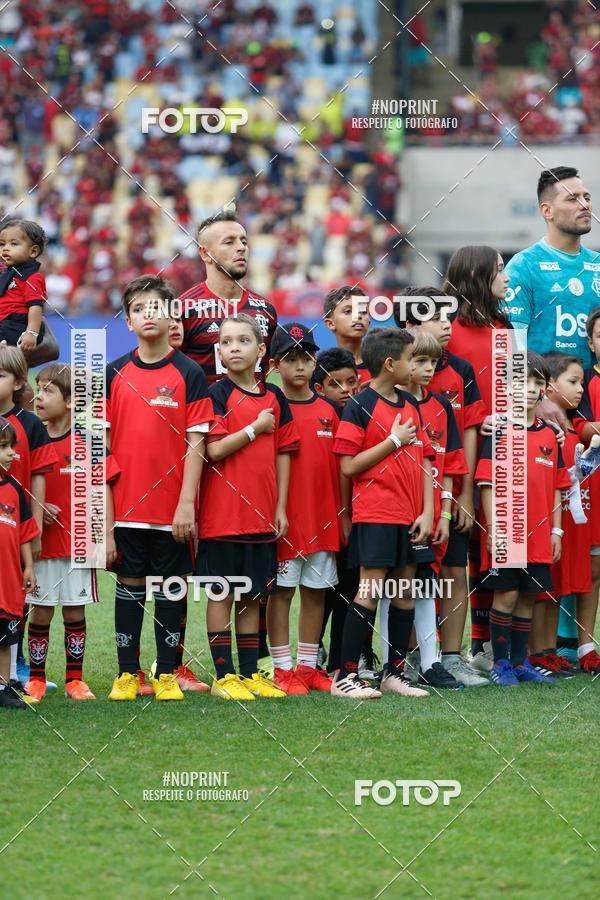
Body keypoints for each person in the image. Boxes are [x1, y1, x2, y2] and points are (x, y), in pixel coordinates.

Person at [105, 274, 213, 702]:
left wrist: (186, 503)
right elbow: (101, 450)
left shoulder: (189, 372)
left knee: (172, 587)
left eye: (157, 306)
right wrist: (108, 521)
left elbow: (197, 441)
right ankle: (127, 674)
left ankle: (167, 673)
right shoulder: (113, 372)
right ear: (128, 321)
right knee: (129, 585)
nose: (148, 314)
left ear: (172, 316)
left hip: (173, 509)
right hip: (126, 508)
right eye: (138, 308)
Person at [331, 327, 435, 699]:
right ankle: (344, 677)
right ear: (390, 364)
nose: (416, 366)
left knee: (405, 591)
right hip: (376, 513)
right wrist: (392, 441)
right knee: (370, 590)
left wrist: (427, 512)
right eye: (411, 359)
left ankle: (393, 674)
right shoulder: (360, 405)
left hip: (410, 516)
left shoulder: (411, 404)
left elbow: (423, 460)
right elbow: (348, 466)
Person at [198, 314, 298, 701]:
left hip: (261, 514)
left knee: (254, 596)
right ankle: (224, 677)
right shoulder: (216, 394)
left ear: (261, 351)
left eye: (243, 341)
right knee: (223, 592)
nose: (233, 348)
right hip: (222, 518)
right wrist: (255, 428)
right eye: (226, 342)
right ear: (219, 351)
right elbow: (215, 449)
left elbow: (285, 454)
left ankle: (250, 673)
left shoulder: (275, 398)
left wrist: (281, 506)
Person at [396, 286, 488, 685]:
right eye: (435, 318)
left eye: (448, 318)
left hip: (448, 493)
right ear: (410, 323)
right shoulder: (390, 370)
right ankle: (409, 656)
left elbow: (467, 433)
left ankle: (449, 656)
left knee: (453, 568)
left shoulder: (461, 371)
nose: (446, 326)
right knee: (404, 573)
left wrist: (464, 494)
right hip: (399, 496)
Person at [24, 364, 118, 701]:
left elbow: (106, 486)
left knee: (75, 611)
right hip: (40, 545)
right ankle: (35, 678)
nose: (39, 396)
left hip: (80, 544)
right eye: (38, 388)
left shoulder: (89, 442)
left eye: (48, 390)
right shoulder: (29, 436)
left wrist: (108, 536)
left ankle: (74, 680)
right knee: (41, 609)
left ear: (71, 401)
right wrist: (36, 506)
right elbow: (16, 482)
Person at [476, 353, 570, 686]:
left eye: (536, 383)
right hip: (507, 531)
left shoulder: (550, 435)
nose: (529, 389)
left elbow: (559, 487)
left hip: (542, 534)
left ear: (544, 388)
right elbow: (486, 483)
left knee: (529, 596)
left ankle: (520, 663)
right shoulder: (498, 431)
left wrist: (557, 530)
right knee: (507, 595)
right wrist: (495, 527)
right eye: (521, 382)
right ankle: (500, 664)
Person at [443, 246, 511, 670]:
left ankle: (483, 644)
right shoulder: (447, 328)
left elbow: (513, 383)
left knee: (493, 546)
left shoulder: (505, 327)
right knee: (456, 546)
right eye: (500, 269)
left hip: (502, 449)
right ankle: (432, 650)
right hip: (455, 448)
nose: (506, 277)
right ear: (477, 275)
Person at [267, 323, 346, 694]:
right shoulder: (269, 405)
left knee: (316, 593)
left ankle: (308, 666)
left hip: (324, 518)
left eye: (307, 358)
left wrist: (344, 514)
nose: (300, 366)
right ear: (274, 365)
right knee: (282, 593)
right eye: (291, 359)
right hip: (284, 521)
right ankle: (282, 668)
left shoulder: (331, 410)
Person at [528, 352, 597, 675]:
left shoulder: (576, 431)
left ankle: (550, 651)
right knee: (544, 588)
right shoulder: (546, 431)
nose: (580, 389)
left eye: (581, 382)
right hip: (551, 523)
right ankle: (535, 653)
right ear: (550, 385)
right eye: (573, 382)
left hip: (572, 523)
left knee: (561, 586)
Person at [0, 345, 56, 687]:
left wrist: (32, 531)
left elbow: (38, 475)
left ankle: (15, 666)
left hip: (14, 527)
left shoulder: (30, 423)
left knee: (15, 597)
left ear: (19, 381)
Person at [504, 166, 597, 366]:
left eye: (587, 198)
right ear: (547, 210)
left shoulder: (596, 265)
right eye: (573, 199)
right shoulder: (523, 266)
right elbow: (510, 345)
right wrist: (521, 396)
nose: (585, 205)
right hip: (542, 393)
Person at [311, 347, 367, 674]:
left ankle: (340, 661)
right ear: (320, 388)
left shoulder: (359, 414)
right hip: (320, 518)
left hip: (353, 518)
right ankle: (311, 652)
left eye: (352, 382)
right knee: (321, 591)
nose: (347, 390)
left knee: (348, 588)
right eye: (337, 384)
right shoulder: (318, 416)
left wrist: (348, 515)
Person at [179, 208, 278, 385]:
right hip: (205, 412)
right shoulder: (183, 309)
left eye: (244, 241)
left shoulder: (265, 310)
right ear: (205, 254)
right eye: (229, 242)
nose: (241, 248)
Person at [0, 416, 38, 709]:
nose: (11, 452)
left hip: (9, 578)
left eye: (11, 446)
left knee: (5, 636)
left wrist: (29, 567)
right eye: (3, 447)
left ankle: (4, 687)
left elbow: (25, 532)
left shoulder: (14, 487)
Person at [0, 218, 47, 351]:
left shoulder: (32, 277)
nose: (5, 249)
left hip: (19, 325)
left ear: (33, 251)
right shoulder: (6, 273)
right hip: (5, 323)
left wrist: (31, 333)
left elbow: (35, 307)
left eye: (14, 244)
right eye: (2, 244)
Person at [323, 285, 371, 385]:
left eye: (363, 311)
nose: (358, 316)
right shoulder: (322, 369)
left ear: (369, 321)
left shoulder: (382, 367)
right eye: (348, 311)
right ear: (330, 324)